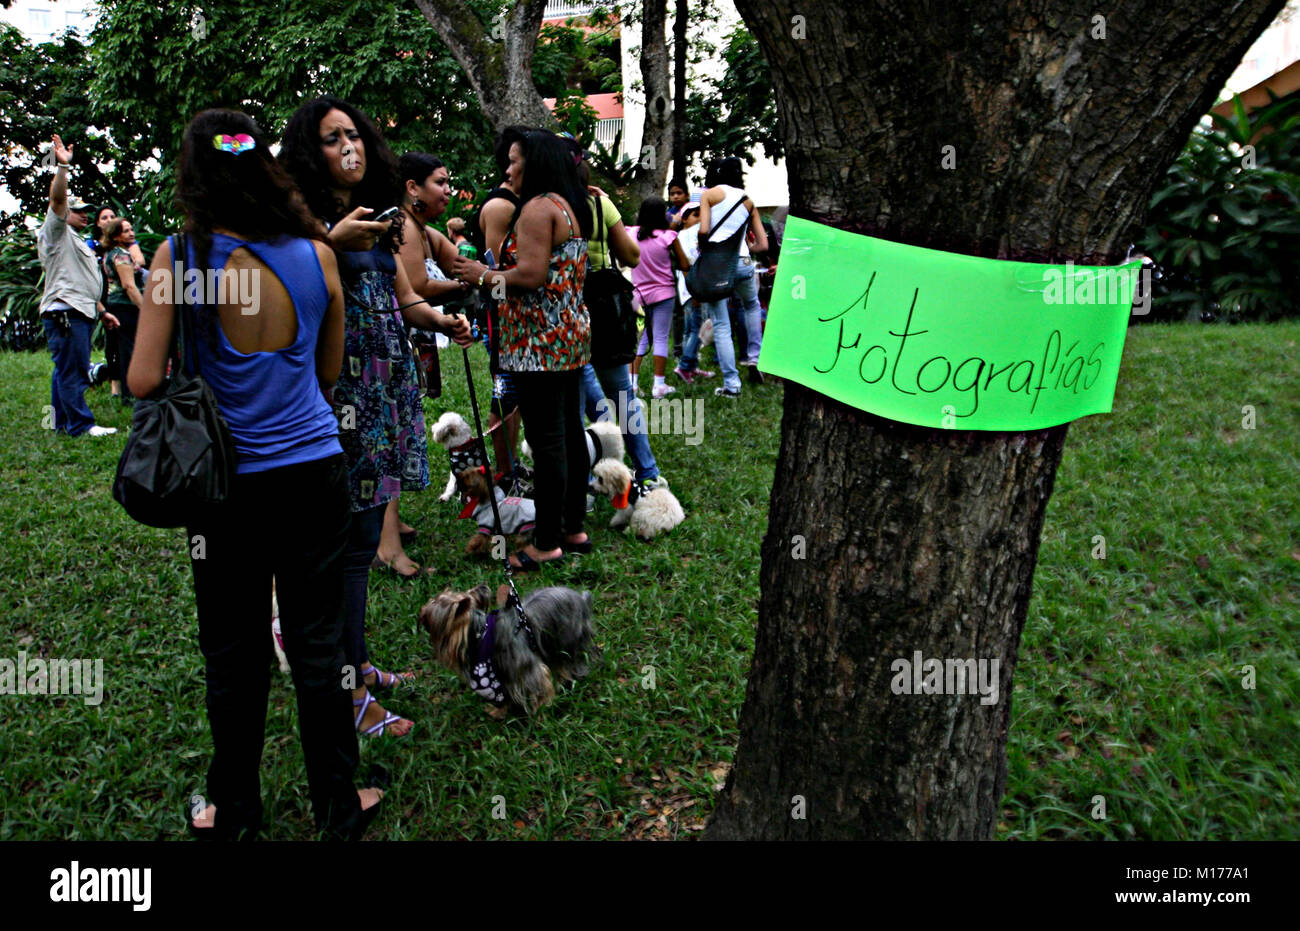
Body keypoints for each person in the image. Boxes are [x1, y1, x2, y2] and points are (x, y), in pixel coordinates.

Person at [127, 109, 383, 840]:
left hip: (229, 488)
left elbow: (144, 378)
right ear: (265, 164)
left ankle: (233, 811)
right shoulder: (317, 253)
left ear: (194, 173)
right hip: (315, 471)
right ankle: (339, 803)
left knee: (234, 655)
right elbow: (327, 373)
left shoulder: (180, 256)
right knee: (319, 646)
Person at [280, 95, 472, 735]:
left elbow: (406, 298)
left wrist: (442, 318)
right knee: (339, 547)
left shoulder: (384, 220)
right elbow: (287, 298)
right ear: (313, 151)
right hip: (338, 397)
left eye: (356, 136)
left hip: (385, 391)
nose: (352, 147)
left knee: (364, 540)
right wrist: (331, 242)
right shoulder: (297, 219)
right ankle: (347, 696)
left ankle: (358, 665)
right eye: (335, 139)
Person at [453, 130, 592, 570]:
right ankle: (573, 526)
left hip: (537, 344)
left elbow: (529, 276)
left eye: (513, 161)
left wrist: (481, 274)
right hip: (568, 337)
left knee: (547, 441)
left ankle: (546, 541)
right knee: (569, 433)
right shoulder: (570, 205)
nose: (508, 169)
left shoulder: (535, 209)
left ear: (535, 162)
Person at [384, 150, 477, 578]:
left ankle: (392, 519)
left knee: (402, 427)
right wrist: (462, 283)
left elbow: (456, 262)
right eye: (439, 182)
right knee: (388, 433)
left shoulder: (422, 228)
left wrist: (471, 273)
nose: (447, 190)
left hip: (407, 337)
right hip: (388, 339)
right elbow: (417, 286)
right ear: (412, 188)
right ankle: (385, 536)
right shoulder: (401, 226)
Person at [577, 162, 666, 486]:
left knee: (576, 397)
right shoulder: (599, 203)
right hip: (606, 311)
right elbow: (631, 256)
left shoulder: (547, 206)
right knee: (621, 395)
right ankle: (648, 472)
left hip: (568, 311)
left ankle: (582, 483)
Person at [37, 133, 118, 437]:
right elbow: (58, 199)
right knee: (74, 370)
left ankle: (60, 423)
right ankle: (81, 425)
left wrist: (101, 310)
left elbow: (82, 281)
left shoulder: (77, 242)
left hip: (79, 309)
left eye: (87, 210)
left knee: (66, 369)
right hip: (66, 312)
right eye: (79, 210)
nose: (85, 214)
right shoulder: (56, 231)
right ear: (64, 214)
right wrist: (62, 167)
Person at [472, 125, 531, 482]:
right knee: (503, 396)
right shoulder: (499, 206)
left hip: (518, 319)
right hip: (501, 319)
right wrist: (504, 323)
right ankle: (502, 472)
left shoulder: (521, 203)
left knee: (515, 398)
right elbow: (495, 271)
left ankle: (511, 465)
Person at [693, 156, 768, 398]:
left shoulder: (710, 195)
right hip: (744, 263)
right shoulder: (748, 202)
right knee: (752, 306)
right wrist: (746, 252)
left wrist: (703, 246)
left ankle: (732, 384)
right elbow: (763, 244)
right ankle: (755, 358)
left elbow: (704, 230)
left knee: (722, 323)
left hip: (717, 266)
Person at [627, 197, 680, 399]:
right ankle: (659, 385)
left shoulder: (630, 233)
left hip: (639, 293)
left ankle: (633, 383)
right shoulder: (668, 237)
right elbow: (683, 264)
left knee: (642, 337)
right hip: (664, 293)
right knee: (660, 336)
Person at [100, 217, 145, 403]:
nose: (131, 233)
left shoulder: (111, 254)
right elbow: (129, 286)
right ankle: (131, 393)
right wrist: (144, 308)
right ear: (116, 236)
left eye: (131, 229)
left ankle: (129, 391)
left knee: (124, 348)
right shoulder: (121, 255)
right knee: (130, 349)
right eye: (126, 231)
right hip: (125, 306)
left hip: (115, 304)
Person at [671, 205, 714, 385]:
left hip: (688, 289)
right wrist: (696, 290)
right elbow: (690, 263)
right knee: (697, 329)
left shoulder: (685, 236)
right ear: (684, 219)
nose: (699, 218)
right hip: (693, 290)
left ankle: (692, 366)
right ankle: (684, 365)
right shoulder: (685, 236)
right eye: (695, 215)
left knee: (690, 329)